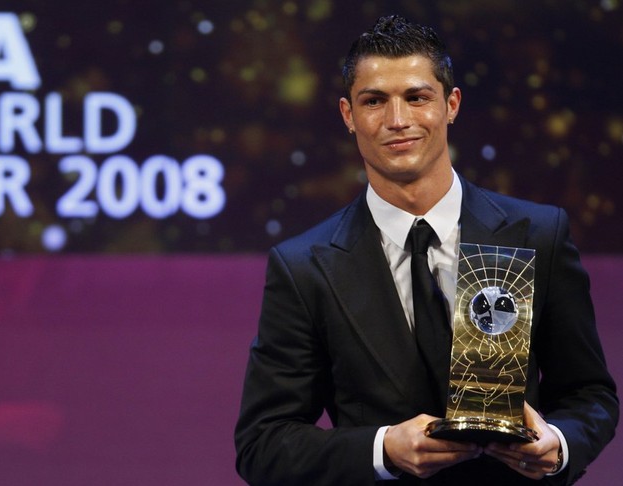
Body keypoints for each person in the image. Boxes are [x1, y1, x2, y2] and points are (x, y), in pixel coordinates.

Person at [234, 15, 618, 485]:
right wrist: (382, 449)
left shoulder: (539, 234)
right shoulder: (303, 267)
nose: (398, 121)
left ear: (451, 104)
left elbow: (590, 395)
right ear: (348, 115)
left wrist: (559, 444)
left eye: (417, 97)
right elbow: (263, 443)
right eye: (374, 101)